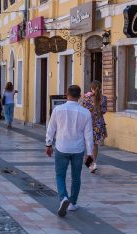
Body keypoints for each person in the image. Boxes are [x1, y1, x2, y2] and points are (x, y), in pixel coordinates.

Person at [45, 84, 94, 217]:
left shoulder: (58, 109)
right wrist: (90, 154)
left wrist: (48, 144)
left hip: (62, 147)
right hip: (78, 149)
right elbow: (88, 135)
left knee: (60, 175)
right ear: (79, 96)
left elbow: (51, 128)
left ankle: (63, 197)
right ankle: (72, 202)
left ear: (67, 94)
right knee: (76, 176)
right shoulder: (85, 112)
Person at [81, 81, 108, 173]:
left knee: (87, 143)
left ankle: (89, 162)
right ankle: (93, 163)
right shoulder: (104, 98)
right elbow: (104, 111)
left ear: (91, 88)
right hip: (98, 123)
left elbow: (83, 109)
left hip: (88, 122)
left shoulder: (87, 97)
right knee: (95, 144)